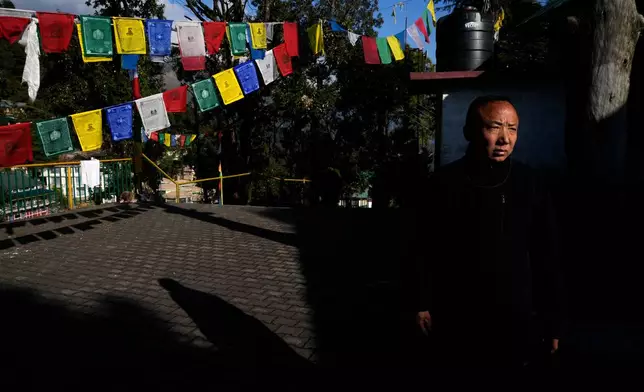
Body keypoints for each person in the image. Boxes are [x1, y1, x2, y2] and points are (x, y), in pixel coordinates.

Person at [415, 96, 564, 368]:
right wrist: (420, 302)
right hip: (456, 315)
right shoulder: (443, 183)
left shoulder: (530, 183)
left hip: (515, 317)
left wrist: (552, 320)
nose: (505, 138)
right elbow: (423, 247)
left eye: (513, 128)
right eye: (494, 127)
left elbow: (547, 255)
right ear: (469, 131)